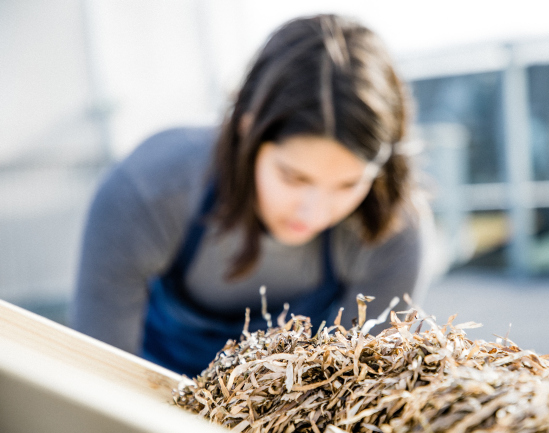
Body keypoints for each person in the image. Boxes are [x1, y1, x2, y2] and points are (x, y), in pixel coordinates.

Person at [71, 14, 442, 377]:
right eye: (293, 177)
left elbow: (353, 389)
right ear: (248, 131)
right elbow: (98, 377)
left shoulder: (392, 228)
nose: (313, 212)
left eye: (348, 185)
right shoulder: (148, 191)